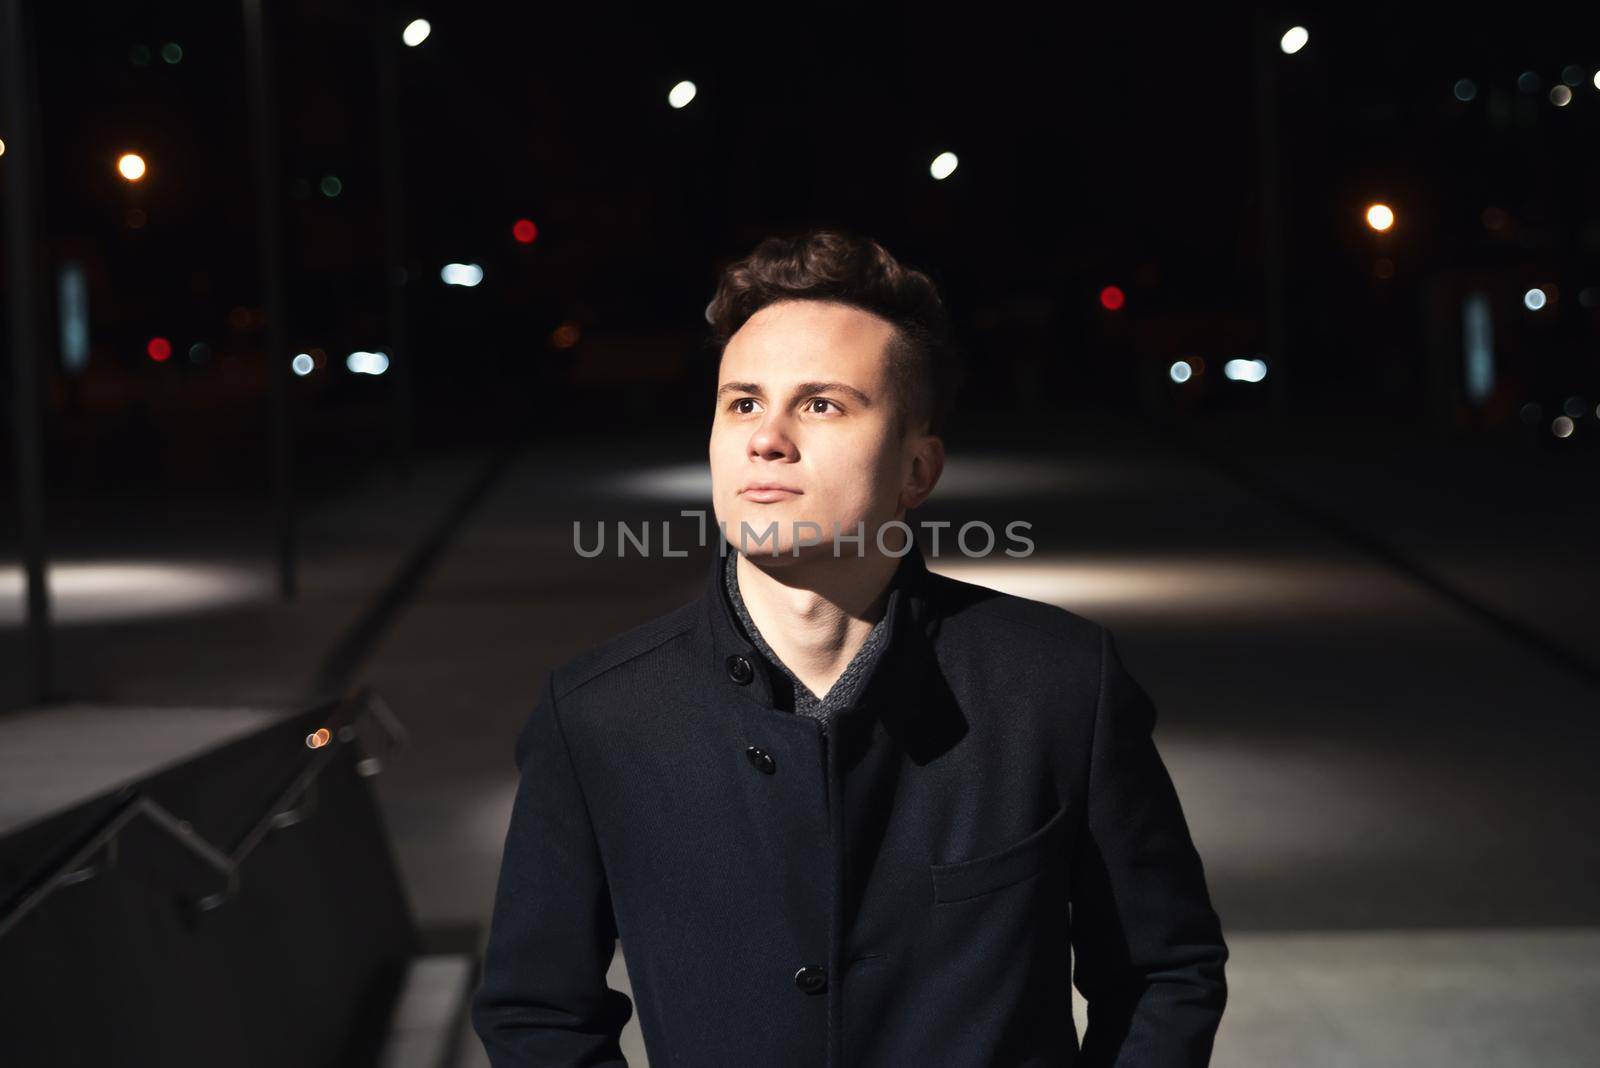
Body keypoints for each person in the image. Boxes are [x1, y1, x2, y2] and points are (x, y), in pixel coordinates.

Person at [471, 228, 1228, 1066]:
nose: (767, 438)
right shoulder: (598, 714)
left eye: (822, 404)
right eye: (743, 402)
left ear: (917, 469)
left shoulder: (1057, 686)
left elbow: (1164, 975)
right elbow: (537, 1012)